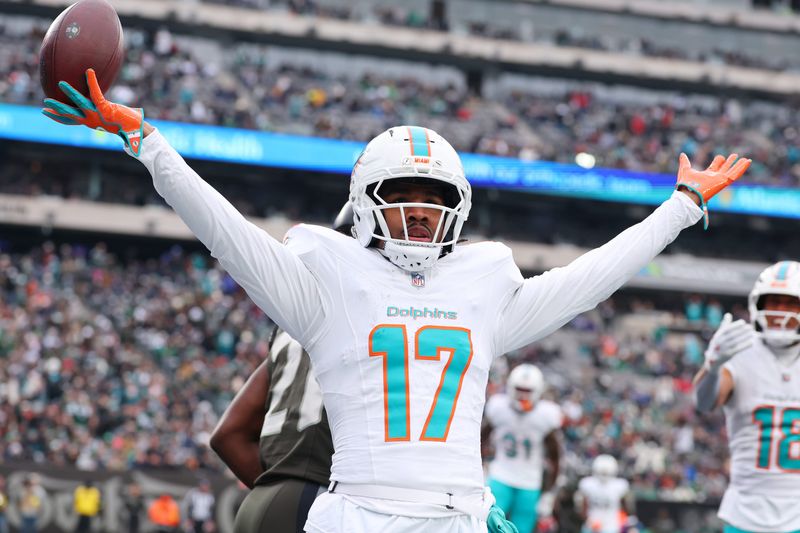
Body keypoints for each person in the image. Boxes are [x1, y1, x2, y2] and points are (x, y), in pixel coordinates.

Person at [44, 69, 749, 533]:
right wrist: (147, 141)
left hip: (461, 516)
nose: (419, 212)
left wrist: (680, 208)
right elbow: (227, 234)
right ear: (365, 204)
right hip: (357, 513)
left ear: (460, 206)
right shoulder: (328, 274)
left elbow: (593, 276)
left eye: (434, 197)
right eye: (402, 196)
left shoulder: (485, 282)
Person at [209, 205, 351, 533]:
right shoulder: (370, 323)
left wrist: (277, 489)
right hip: (317, 500)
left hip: (267, 502)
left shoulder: (293, 323)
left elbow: (227, 435)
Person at [693, 261, 800, 533]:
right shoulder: (740, 351)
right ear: (758, 305)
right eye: (773, 303)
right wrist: (713, 365)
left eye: (790, 304)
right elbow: (704, 403)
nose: (780, 313)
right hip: (746, 513)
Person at [482, 364, 562, 533]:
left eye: (528, 390)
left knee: (521, 529)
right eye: (519, 389)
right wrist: (480, 468)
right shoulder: (498, 407)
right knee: (485, 524)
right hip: (500, 475)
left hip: (530, 481)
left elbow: (555, 457)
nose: (522, 395)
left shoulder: (546, 415)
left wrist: (549, 494)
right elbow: (482, 439)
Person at [575, 455, 636, 533]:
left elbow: (627, 507)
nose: (604, 475)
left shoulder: (620, 485)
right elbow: (581, 507)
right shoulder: (587, 484)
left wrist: (624, 521)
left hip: (613, 526)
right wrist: (588, 520)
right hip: (592, 525)